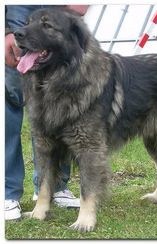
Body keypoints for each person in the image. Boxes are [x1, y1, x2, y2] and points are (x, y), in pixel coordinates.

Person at [5, 5, 88, 221]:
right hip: (16, 9)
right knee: (11, 101)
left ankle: (55, 187)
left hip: (61, 9)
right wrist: (5, 31)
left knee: (59, 113)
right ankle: (7, 193)